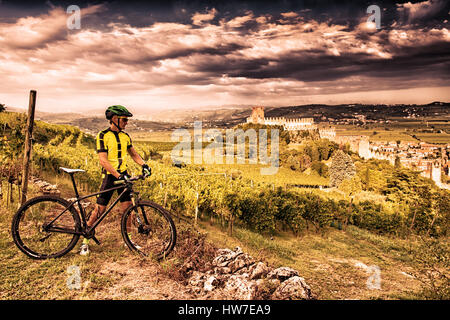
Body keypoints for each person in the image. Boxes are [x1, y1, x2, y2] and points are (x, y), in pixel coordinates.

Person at [80, 105, 151, 255]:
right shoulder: (103, 135)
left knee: (127, 211)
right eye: (124, 119)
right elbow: (103, 161)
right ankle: (85, 241)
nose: (127, 122)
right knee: (99, 210)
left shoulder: (125, 136)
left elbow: (134, 154)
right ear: (114, 119)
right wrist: (118, 175)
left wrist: (144, 165)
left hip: (123, 175)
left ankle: (129, 241)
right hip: (110, 176)